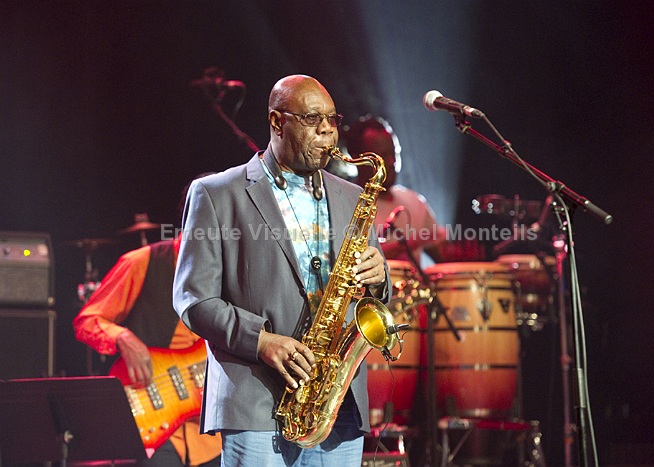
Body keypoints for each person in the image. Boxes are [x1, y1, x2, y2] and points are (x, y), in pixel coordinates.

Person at [172, 75, 390, 467]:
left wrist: (380, 276)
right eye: (312, 119)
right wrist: (262, 342)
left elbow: (374, 294)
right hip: (255, 401)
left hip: (336, 405)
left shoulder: (354, 196)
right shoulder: (216, 193)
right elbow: (194, 300)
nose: (327, 131)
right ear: (277, 122)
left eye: (332, 120)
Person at [73, 176, 221, 467]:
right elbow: (87, 320)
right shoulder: (142, 261)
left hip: (214, 433)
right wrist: (122, 337)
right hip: (155, 426)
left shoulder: (236, 273)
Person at [342, 115, 454, 266]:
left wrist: (461, 254)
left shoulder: (415, 202)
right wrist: (403, 246)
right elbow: (347, 263)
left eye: (394, 153)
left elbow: (442, 256)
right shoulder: (343, 203)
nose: (392, 162)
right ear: (357, 158)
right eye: (382, 156)